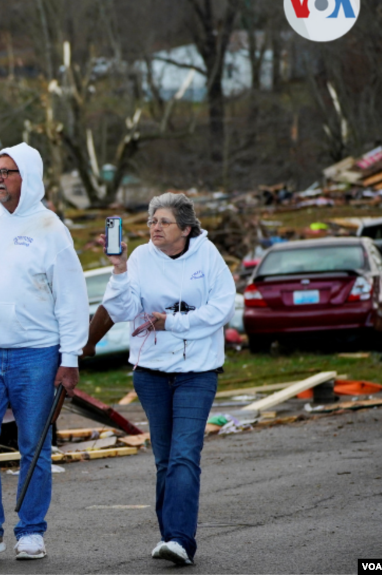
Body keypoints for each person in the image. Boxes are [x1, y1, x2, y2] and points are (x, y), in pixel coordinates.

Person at [0, 142, 88, 560]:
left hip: (37, 354)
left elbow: (71, 300)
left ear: (28, 177)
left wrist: (70, 358)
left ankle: (31, 531)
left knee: (34, 443)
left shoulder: (51, 229)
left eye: (8, 171)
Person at [99, 193, 235, 566]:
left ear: (186, 229)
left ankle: (180, 540)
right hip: (152, 374)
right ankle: (169, 536)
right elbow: (122, 309)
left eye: (164, 222)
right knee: (165, 460)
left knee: (185, 456)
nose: (155, 227)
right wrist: (119, 267)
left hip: (197, 373)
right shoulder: (141, 257)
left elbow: (222, 307)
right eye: (151, 221)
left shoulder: (208, 256)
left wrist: (173, 322)